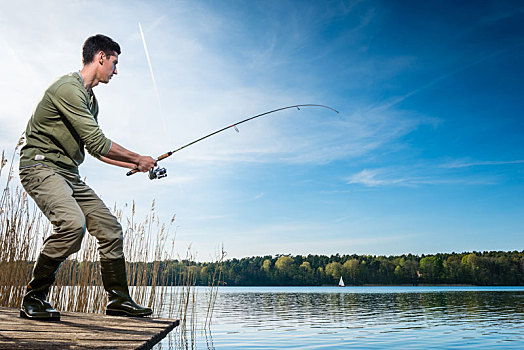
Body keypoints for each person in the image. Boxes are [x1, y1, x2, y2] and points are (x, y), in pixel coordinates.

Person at [19, 34, 156, 320]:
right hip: (40, 166)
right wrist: (137, 157)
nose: (116, 71)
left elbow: (95, 151)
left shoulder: (91, 102)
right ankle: (33, 297)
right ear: (101, 57)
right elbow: (98, 141)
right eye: (114, 63)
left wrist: (136, 165)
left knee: (110, 229)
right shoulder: (68, 89)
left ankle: (119, 300)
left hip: (69, 173)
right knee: (72, 224)